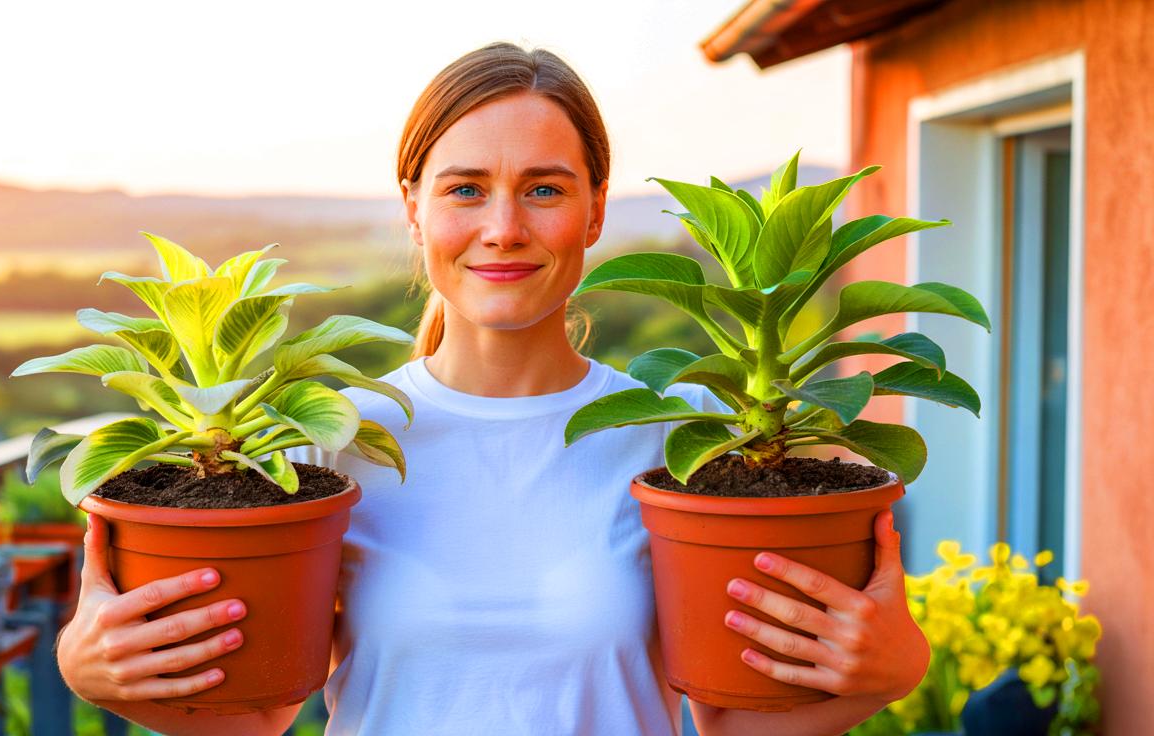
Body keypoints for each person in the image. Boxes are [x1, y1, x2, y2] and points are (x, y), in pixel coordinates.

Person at [56, 41, 930, 735]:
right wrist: (100, 674)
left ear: (593, 210)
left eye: (543, 189)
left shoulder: (695, 440)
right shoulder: (331, 437)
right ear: (414, 208)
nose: (503, 229)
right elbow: (263, 710)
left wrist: (889, 674)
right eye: (465, 189)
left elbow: (731, 719)